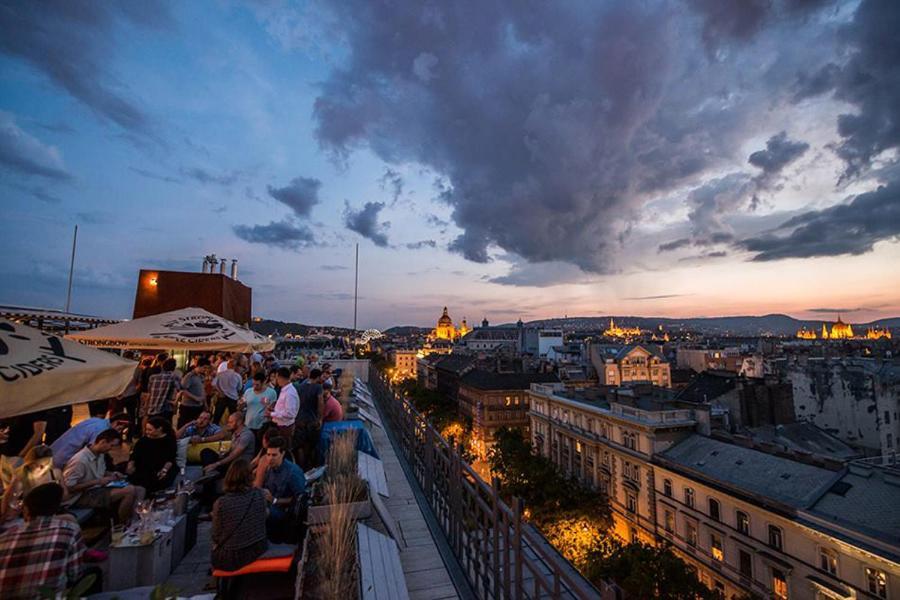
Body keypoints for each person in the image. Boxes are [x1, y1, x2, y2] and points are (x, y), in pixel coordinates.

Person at [0, 483, 101, 598]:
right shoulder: (68, 531)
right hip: (52, 596)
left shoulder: (4, 539)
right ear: (56, 509)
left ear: (26, 510)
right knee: (94, 573)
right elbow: (75, 574)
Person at [62, 429, 143, 523]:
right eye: (111, 445)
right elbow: (69, 487)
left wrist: (113, 474)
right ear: (102, 442)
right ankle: (123, 524)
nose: (111, 449)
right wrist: (97, 481)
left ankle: (136, 520)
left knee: (140, 489)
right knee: (129, 491)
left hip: (96, 489)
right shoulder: (80, 461)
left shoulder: (100, 455)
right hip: (80, 496)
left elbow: (100, 472)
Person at [210, 459, 268, 572]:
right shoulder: (259, 494)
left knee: (215, 549)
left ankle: (215, 581)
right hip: (258, 547)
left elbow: (216, 535)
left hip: (232, 556)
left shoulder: (221, 503)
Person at [253, 436, 306, 542]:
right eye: (268, 455)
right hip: (268, 503)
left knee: (261, 512)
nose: (270, 458)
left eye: (274, 455)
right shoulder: (270, 468)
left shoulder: (292, 473)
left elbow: (300, 500)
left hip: (284, 512)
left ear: (282, 454)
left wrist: (274, 500)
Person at [50, 401, 129, 469]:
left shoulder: (97, 420)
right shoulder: (102, 430)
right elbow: (93, 451)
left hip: (55, 451)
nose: (119, 432)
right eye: (120, 429)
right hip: (65, 457)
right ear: (116, 423)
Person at [1, 445, 67, 521]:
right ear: (29, 463)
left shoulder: (55, 473)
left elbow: (65, 496)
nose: (41, 468)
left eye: (45, 465)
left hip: (51, 513)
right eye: (38, 465)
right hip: (30, 516)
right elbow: (8, 506)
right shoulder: (20, 479)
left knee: (70, 518)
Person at [127, 417, 177, 496]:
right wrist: (131, 464)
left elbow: (170, 458)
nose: (147, 432)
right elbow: (134, 455)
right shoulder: (143, 440)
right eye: (146, 430)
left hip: (160, 468)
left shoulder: (169, 440)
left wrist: (164, 470)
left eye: (150, 430)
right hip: (142, 466)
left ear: (159, 429)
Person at [293, 368, 324, 470]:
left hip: (299, 420)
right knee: (311, 446)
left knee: (300, 446)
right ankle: (310, 467)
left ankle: (301, 467)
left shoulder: (299, 386)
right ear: (318, 377)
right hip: (311, 421)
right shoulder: (318, 387)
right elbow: (320, 403)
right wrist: (320, 419)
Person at [143, 358, 180, 426]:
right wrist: (175, 402)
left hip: (153, 407)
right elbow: (180, 390)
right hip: (166, 408)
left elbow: (149, 393)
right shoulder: (173, 377)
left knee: (153, 426)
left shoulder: (153, 377)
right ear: (174, 367)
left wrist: (146, 405)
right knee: (165, 428)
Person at [240, 371, 276, 441]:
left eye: (257, 385)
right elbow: (241, 408)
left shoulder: (271, 393)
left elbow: (272, 409)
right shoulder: (248, 392)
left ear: (264, 382)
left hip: (262, 426)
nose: (254, 387)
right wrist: (241, 405)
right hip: (248, 424)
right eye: (253, 384)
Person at [268, 368, 299, 443]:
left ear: (280, 377)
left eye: (276, 377)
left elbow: (290, 413)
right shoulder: (285, 390)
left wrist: (272, 414)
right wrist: (275, 410)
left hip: (285, 427)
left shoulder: (289, 393)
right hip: (280, 425)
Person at [178, 358, 210, 428]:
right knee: (184, 425)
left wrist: (205, 403)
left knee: (196, 426)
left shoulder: (201, 376)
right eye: (204, 367)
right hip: (188, 406)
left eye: (207, 368)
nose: (205, 370)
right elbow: (183, 389)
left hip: (198, 406)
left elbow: (203, 390)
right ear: (198, 366)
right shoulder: (189, 376)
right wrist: (195, 398)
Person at [212, 359, 242, 425]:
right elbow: (239, 388)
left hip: (222, 397)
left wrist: (220, 391)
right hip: (233, 397)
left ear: (228, 366)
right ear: (235, 366)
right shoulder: (237, 376)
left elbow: (213, 384)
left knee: (217, 416)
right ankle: (233, 430)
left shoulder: (220, 374)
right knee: (234, 416)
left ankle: (214, 430)